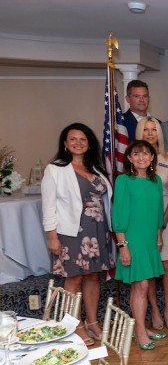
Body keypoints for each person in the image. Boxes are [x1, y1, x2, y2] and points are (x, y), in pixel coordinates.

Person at [41, 123, 113, 346]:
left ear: (89, 143)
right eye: (73, 139)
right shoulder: (55, 169)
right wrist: (52, 237)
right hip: (72, 233)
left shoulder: (96, 168)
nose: (78, 143)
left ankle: (92, 321)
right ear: (65, 143)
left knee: (93, 277)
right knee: (74, 279)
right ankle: (75, 325)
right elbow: (48, 206)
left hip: (98, 231)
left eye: (83, 139)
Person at [112, 140, 166, 349]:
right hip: (132, 240)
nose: (141, 157)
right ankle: (141, 332)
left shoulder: (156, 181)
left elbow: (158, 212)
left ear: (152, 157)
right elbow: (118, 214)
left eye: (145, 153)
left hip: (149, 239)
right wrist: (123, 245)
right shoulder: (123, 180)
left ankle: (140, 328)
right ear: (129, 158)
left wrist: (159, 237)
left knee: (142, 286)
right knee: (141, 286)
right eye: (136, 154)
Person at [136, 117, 168, 331]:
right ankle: (154, 309)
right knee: (150, 267)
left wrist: (164, 221)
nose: (150, 133)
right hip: (142, 219)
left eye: (154, 129)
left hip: (166, 216)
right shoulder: (135, 158)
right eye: (146, 129)